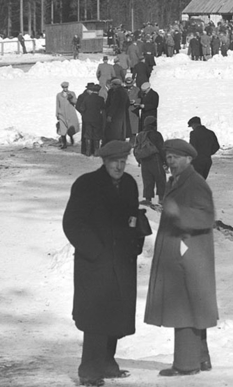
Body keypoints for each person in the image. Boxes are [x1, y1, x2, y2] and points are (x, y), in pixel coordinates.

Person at [62, 140, 148, 387]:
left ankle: (108, 363)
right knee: (95, 317)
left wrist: (134, 244)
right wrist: (95, 250)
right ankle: (89, 369)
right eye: (114, 162)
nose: (119, 167)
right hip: (95, 264)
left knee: (117, 314)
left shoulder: (129, 184)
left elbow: (132, 217)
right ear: (104, 161)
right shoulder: (87, 184)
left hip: (122, 262)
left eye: (123, 161)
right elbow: (72, 223)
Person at [145, 138, 218, 377]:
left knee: (184, 306)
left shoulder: (195, 183)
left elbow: (206, 217)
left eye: (175, 157)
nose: (171, 162)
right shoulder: (177, 181)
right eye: (168, 158)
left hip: (189, 253)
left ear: (188, 159)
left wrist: (179, 213)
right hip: (183, 251)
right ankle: (201, 358)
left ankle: (186, 364)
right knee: (192, 304)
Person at [134, 114, 166, 206]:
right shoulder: (156, 134)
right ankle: (161, 199)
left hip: (144, 161)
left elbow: (136, 149)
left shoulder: (140, 135)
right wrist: (165, 161)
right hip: (155, 159)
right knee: (160, 178)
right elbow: (161, 148)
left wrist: (139, 160)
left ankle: (148, 199)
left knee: (147, 180)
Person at [77, 82, 106, 156]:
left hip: (87, 119)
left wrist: (85, 114)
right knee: (96, 135)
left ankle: (88, 151)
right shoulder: (101, 99)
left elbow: (81, 108)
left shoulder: (86, 98)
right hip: (97, 119)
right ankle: (96, 151)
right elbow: (103, 108)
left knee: (88, 135)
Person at [57, 81, 80, 150]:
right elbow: (57, 105)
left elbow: (75, 102)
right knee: (62, 129)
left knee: (70, 128)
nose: (65, 89)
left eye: (66, 87)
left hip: (70, 114)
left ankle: (71, 139)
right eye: (64, 87)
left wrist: (71, 98)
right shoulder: (58, 95)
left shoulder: (72, 93)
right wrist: (57, 114)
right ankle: (64, 144)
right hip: (62, 114)